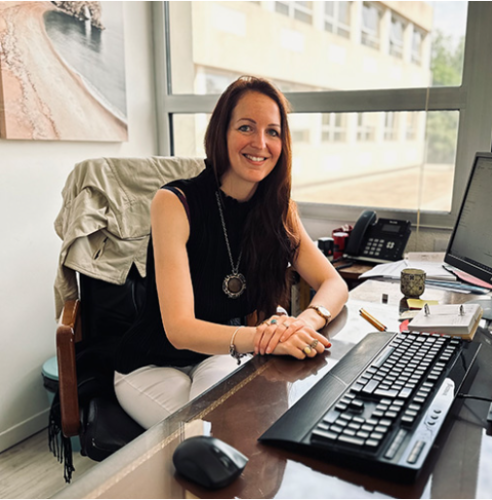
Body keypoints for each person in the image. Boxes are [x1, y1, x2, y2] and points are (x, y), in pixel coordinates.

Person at [113, 76, 349, 429]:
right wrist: (268, 339)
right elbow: (179, 329)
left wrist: (303, 324)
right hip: (150, 364)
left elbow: (334, 284)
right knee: (205, 436)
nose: (260, 143)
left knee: (249, 425)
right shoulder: (174, 202)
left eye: (272, 132)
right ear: (221, 133)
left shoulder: (279, 209)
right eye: (246, 127)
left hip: (220, 352)